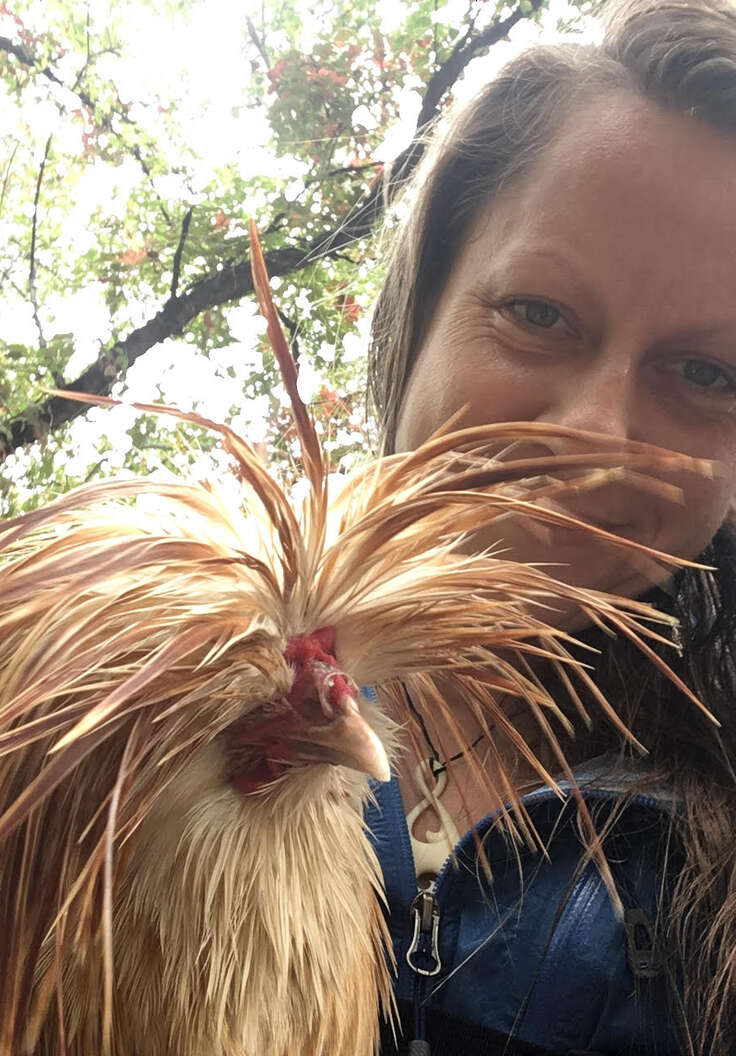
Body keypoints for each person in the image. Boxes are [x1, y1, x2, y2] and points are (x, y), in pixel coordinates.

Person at [365, 1, 736, 1053]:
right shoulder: (108, 702)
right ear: (423, 308)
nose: (595, 435)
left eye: (705, 372)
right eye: (538, 313)